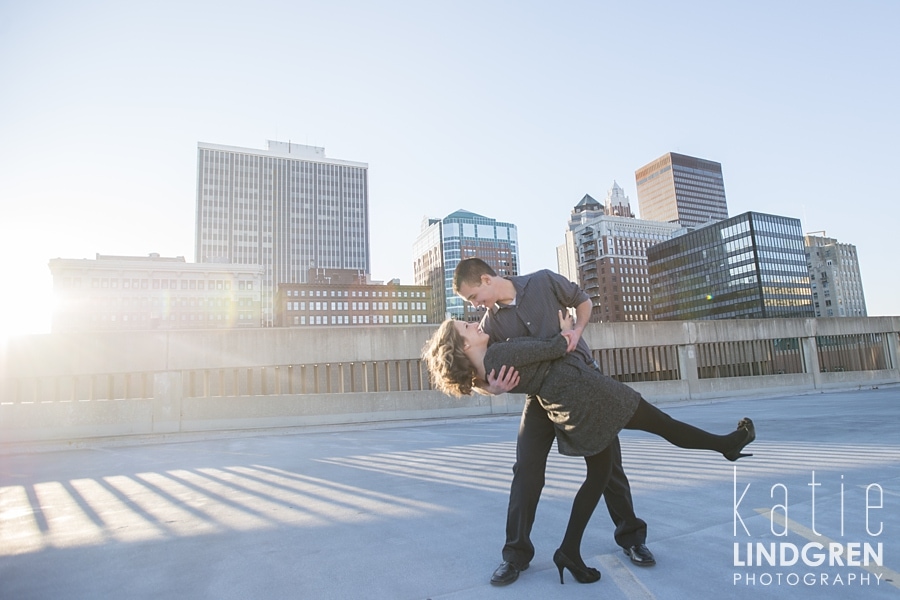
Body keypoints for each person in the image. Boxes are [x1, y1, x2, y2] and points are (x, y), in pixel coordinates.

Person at [422, 312, 755, 585]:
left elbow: (482, 371)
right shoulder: (496, 346)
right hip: (582, 395)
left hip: (572, 397)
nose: (474, 318)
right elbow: (553, 347)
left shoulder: (491, 346)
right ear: (464, 343)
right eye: (466, 324)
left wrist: (489, 385)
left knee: (604, 472)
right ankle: (525, 555)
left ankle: (595, 545)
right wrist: (567, 330)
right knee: (652, 431)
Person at [451, 258, 653, 586]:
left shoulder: (543, 281)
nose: (475, 306)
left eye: (474, 297)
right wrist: (494, 389)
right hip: (541, 398)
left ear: (486, 280)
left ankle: (632, 539)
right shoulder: (490, 326)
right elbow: (477, 373)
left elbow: (583, 300)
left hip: (584, 381)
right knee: (526, 471)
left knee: (609, 466)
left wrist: (576, 331)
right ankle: (515, 556)